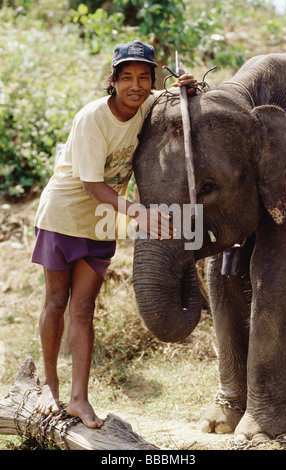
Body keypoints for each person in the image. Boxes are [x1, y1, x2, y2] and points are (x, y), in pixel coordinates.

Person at [31, 40, 197, 428]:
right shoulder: (93, 117)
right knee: (56, 301)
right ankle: (49, 387)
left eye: (144, 77)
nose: (135, 86)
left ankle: (78, 399)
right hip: (63, 217)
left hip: (102, 222)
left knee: (83, 310)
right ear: (113, 81)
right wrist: (140, 213)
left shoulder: (146, 105)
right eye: (127, 78)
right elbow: (92, 186)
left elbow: (164, 95)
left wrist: (182, 86)